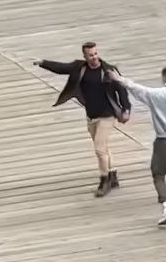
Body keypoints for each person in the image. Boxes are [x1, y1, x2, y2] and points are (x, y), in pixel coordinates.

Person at [33, 42, 131, 197]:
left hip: (107, 115)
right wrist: (43, 63)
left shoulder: (108, 70)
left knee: (99, 148)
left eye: (96, 54)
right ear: (84, 56)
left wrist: (126, 109)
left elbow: (122, 90)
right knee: (103, 147)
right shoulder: (80, 67)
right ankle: (113, 175)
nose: (94, 57)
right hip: (91, 115)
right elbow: (62, 68)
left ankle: (104, 181)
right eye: (91, 55)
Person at [108, 65, 166, 226]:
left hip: (163, 141)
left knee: (158, 175)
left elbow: (137, 89)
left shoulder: (158, 95)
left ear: (164, 78)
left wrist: (119, 79)